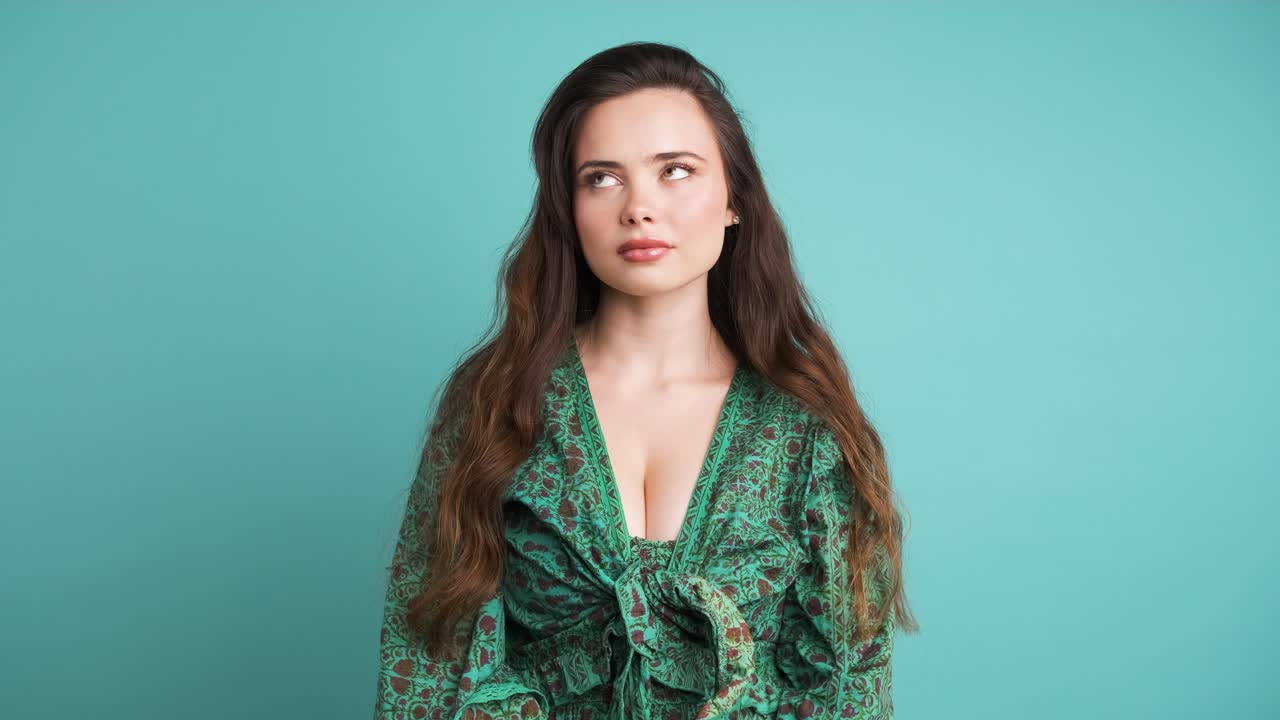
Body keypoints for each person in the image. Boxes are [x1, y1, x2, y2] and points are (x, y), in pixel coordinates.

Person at [373, 41, 918, 720]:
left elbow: (849, 690)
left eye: (676, 170)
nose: (639, 207)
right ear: (568, 210)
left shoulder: (801, 430)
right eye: (602, 177)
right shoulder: (498, 403)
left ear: (733, 200)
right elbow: (427, 668)